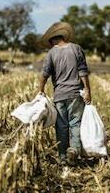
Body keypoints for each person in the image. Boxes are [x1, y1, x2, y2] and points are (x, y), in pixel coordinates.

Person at [38, 22, 91, 165]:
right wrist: (87, 90)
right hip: (75, 94)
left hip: (60, 95)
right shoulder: (76, 48)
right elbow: (83, 72)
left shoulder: (51, 53)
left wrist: (40, 91)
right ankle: (74, 150)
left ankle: (62, 157)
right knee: (75, 123)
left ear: (53, 40)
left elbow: (44, 74)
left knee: (61, 126)